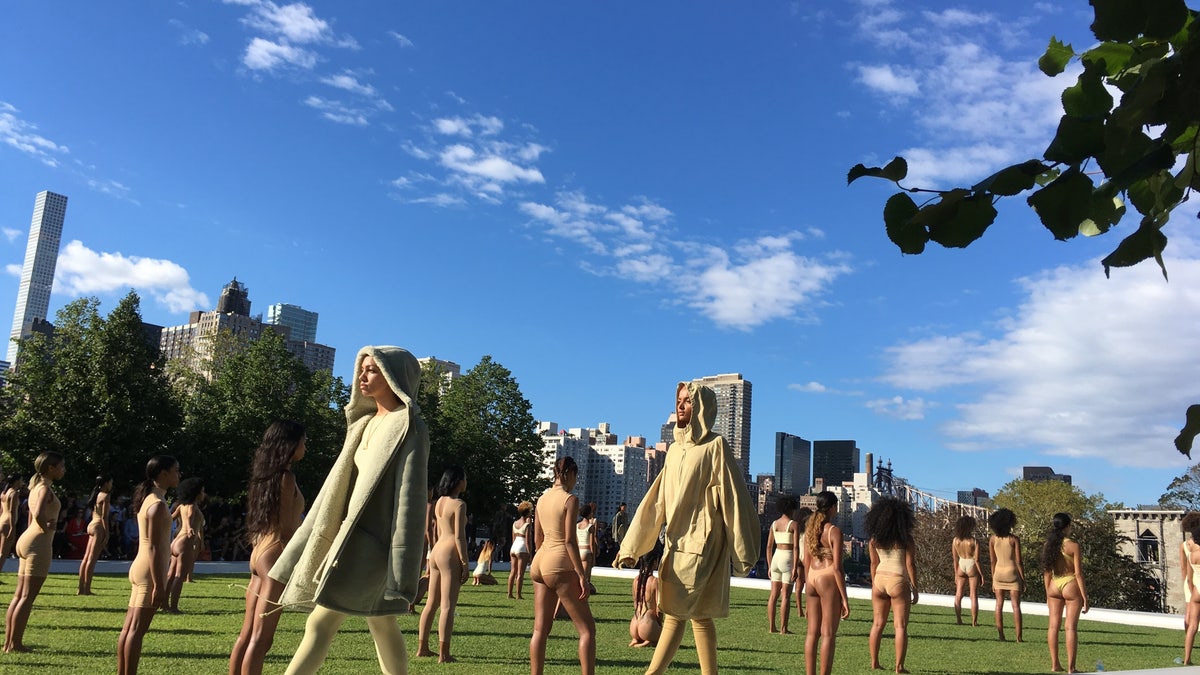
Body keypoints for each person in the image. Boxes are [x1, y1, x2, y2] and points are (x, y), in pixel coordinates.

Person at [269, 346, 429, 675]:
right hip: (347, 540)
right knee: (381, 623)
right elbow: (337, 491)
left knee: (320, 622)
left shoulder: (410, 427)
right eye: (362, 368)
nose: (362, 376)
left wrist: (402, 567)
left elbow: (410, 500)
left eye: (372, 369)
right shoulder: (363, 423)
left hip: (373, 549)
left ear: (393, 375)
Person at [615, 381, 760, 675]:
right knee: (695, 615)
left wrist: (743, 550)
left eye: (687, 401)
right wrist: (632, 545)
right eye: (678, 400)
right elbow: (657, 500)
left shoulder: (715, 446)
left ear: (702, 408)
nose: (680, 405)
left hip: (702, 544)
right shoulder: (674, 451)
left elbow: (734, 498)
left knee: (676, 614)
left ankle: (652, 674)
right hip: (675, 544)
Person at [229, 419, 307, 675]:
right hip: (275, 554)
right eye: (303, 442)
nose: (305, 447)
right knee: (261, 639)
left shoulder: (266, 476)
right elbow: (286, 527)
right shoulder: (286, 477)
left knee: (248, 634)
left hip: (260, 550)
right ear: (290, 445)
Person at [529, 457, 595, 675]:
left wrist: (541, 560)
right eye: (576, 476)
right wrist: (581, 575)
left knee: (540, 629)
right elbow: (569, 541)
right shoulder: (570, 500)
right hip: (558, 561)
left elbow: (537, 538)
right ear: (569, 474)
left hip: (540, 561)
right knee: (586, 630)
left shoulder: (541, 499)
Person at [117, 455, 181, 675]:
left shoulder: (151, 499)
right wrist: (159, 585)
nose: (178, 475)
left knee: (129, 629)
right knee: (136, 630)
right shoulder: (157, 505)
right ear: (163, 474)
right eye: (175, 470)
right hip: (148, 570)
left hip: (141, 567)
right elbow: (154, 547)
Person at [4, 452, 65, 653]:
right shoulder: (45, 489)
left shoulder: (36, 487)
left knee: (19, 595)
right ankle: (15, 644)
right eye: (61, 466)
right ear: (51, 468)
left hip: (28, 539)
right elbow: (38, 513)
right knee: (27, 597)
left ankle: (10, 642)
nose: (63, 470)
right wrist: (46, 527)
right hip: (38, 543)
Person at [417, 466, 469, 663]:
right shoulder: (459, 504)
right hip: (449, 552)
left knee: (431, 602)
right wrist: (464, 563)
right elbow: (460, 537)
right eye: (464, 478)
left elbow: (437, 529)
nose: (466, 481)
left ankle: (422, 647)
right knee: (447, 605)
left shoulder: (439, 501)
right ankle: (444, 654)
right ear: (458, 481)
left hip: (437, 550)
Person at [866, 496, 919, 674]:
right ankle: (899, 666)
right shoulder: (906, 539)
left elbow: (873, 564)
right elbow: (910, 564)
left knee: (877, 624)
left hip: (879, 579)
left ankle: (874, 662)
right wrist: (915, 588)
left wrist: (875, 583)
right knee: (900, 626)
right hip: (898, 579)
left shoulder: (874, 540)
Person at [804, 491, 850, 675]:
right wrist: (844, 599)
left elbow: (807, 561)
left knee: (811, 633)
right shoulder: (834, 531)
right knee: (828, 633)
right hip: (828, 576)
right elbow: (838, 568)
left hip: (812, 577)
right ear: (832, 507)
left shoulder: (810, 528)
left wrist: (807, 587)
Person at [1042, 512, 1088, 674]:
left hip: (1054, 584)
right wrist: (1085, 596)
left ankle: (1055, 664)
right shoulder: (1073, 546)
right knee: (1070, 628)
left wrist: (1048, 593)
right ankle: (1071, 668)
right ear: (1067, 526)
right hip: (1070, 584)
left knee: (1053, 626)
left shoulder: (1049, 545)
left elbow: (1047, 572)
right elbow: (1078, 574)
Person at [164, 476, 206, 613]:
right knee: (179, 576)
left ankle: (164, 604)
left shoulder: (181, 505)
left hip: (176, 541)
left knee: (171, 574)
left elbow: (170, 518)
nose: (204, 494)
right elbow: (189, 518)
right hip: (184, 542)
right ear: (196, 492)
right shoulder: (192, 506)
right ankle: (174, 607)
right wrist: (189, 529)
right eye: (202, 491)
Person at [988, 507, 1025, 642]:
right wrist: (1023, 579)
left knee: (999, 605)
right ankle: (1018, 637)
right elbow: (1019, 561)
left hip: (998, 572)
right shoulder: (1014, 539)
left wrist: (993, 579)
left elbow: (992, 561)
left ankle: (1001, 635)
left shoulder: (992, 539)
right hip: (1012, 573)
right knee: (1015, 605)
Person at [766, 495, 800, 634]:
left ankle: (771, 627)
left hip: (775, 558)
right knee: (785, 595)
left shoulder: (774, 524)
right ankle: (783, 628)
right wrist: (795, 567)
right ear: (792, 508)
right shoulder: (793, 524)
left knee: (773, 595)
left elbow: (768, 547)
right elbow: (796, 547)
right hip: (788, 557)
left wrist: (769, 566)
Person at [78, 475, 113, 594]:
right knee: (92, 559)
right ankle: (87, 588)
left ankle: (80, 588)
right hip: (98, 526)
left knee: (86, 558)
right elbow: (104, 516)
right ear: (106, 483)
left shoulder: (96, 495)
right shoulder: (106, 496)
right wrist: (107, 533)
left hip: (91, 524)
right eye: (110, 482)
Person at [952, 515, 982, 626]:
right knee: (973, 595)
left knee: (958, 594)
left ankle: (959, 620)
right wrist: (981, 574)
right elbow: (977, 560)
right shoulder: (974, 541)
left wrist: (956, 573)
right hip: (971, 564)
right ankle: (974, 622)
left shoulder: (955, 540)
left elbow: (955, 559)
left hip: (961, 564)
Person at [629, 548, 663, 647]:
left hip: (635, 623)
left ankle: (635, 639)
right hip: (647, 625)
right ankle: (649, 640)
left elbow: (635, 603)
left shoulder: (636, 580)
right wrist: (659, 624)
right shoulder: (654, 581)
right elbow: (658, 607)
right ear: (655, 562)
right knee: (668, 633)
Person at [1181, 512, 1200, 665]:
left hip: (1196, 591)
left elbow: (1189, 576)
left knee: (1192, 625)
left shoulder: (1192, 555)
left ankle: (1187, 659)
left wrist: (1192, 589)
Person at [508, 501, 534, 599]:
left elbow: (513, 538)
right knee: (520, 573)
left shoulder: (515, 523)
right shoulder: (526, 524)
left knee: (512, 572)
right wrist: (530, 553)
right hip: (522, 546)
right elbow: (528, 540)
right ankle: (518, 594)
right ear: (527, 512)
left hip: (514, 546)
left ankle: (509, 593)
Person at [0, 475, 25, 575]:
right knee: (3, 552)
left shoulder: (4, 493)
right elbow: (11, 512)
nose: (22, 482)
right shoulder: (14, 493)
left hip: (2, 521)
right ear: (17, 481)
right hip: (8, 523)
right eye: (21, 480)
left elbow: (2, 510)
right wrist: (12, 528)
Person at [792, 506, 813, 619]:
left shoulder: (796, 530)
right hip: (806, 557)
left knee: (798, 585)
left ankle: (799, 609)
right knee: (809, 584)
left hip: (797, 557)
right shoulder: (808, 531)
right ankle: (807, 610)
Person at [576, 503, 598, 591]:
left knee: (578, 574)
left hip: (578, 550)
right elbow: (592, 543)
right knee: (585, 577)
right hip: (587, 551)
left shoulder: (577, 526)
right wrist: (593, 557)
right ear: (589, 514)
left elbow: (576, 540)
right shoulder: (590, 526)